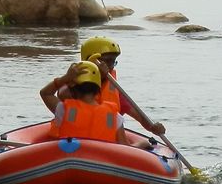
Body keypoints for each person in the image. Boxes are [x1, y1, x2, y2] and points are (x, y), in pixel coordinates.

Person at [38, 36, 166, 136]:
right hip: (71, 143)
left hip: (103, 145)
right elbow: (63, 94)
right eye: (107, 60)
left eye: (113, 61)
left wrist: (151, 127)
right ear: (92, 59)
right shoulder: (73, 84)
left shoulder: (114, 91)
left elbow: (136, 113)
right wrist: (97, 76)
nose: (111, 66)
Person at [43, 62, 124, 143]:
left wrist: (65, 78)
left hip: (72, 154)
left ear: (73, 89)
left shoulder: (63, 110)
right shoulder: (115, 117)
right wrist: (137, 144)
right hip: (101, 155)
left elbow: (45, 93)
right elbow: (124, 147)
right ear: (98, 89)